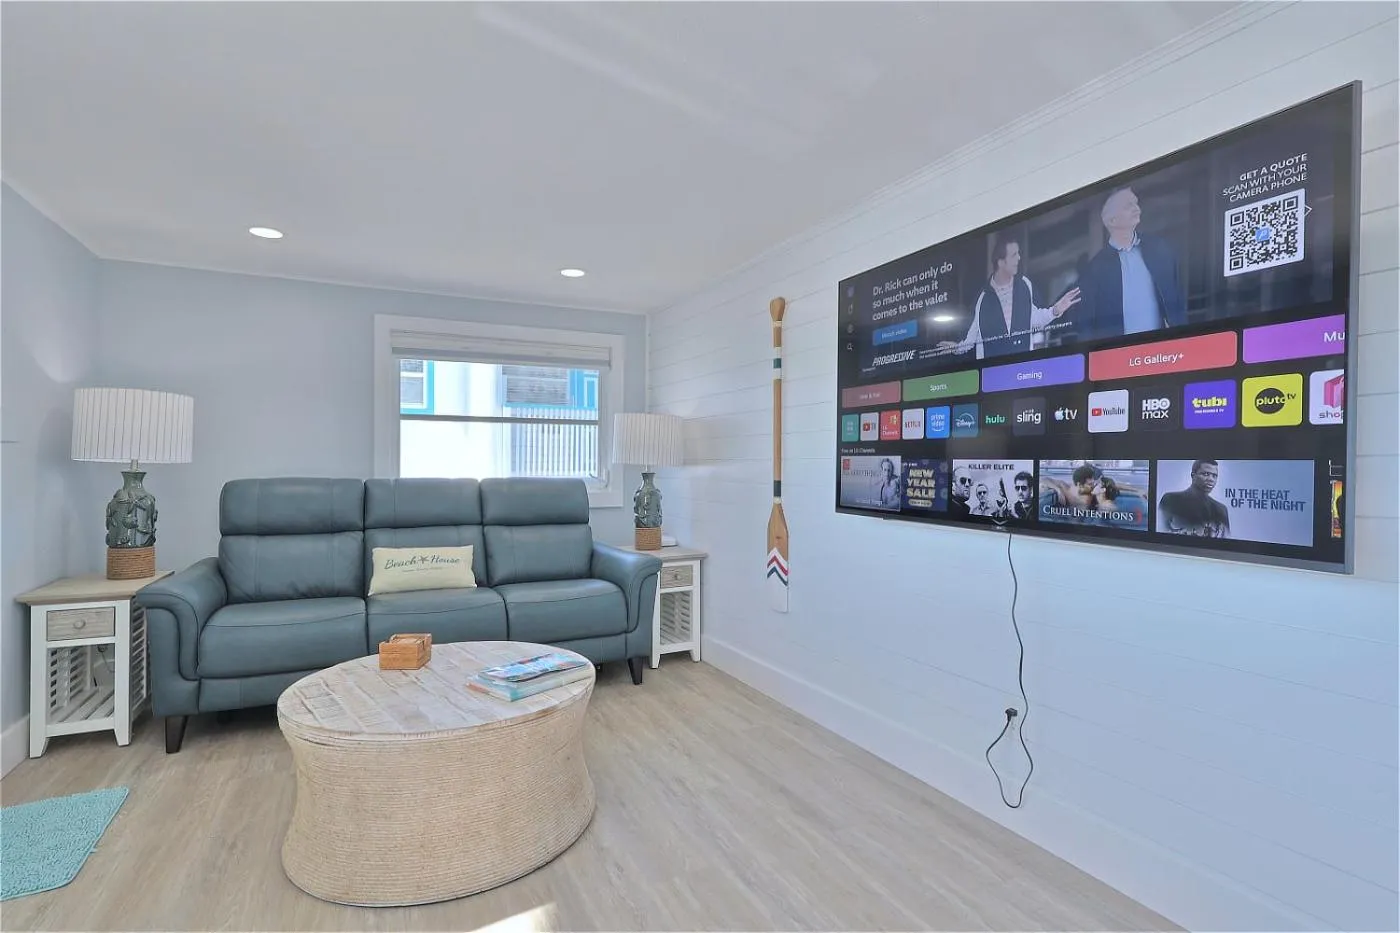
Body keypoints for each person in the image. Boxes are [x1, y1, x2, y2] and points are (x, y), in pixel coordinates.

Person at [938, 233, 1080, 360]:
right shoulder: (983, 298)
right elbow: (973, 336)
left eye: (1018, 253)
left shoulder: (1025, 285)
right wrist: (956, 348)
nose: (1019, 258)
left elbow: (1034, 318)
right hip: (992, 376)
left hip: (1023, 370)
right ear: (1000, 262)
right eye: (1013, 255)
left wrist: (1056, 310)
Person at [1078, 187, 1186, 339]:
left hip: (1163, 354)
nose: (1137, 209)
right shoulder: (1095, 269)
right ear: (1112, 220)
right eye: (1128, 205)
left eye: (1136, 203)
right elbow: (1087, 327)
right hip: (1120, 358)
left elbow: (1177, 303)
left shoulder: (1160, 249)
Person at [1158, 459, 1231, 538]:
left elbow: (1226, 541)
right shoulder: (1170, 500)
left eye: (1214, 476)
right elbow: (1160, 532)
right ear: (1193, 475)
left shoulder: (1221, 509)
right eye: (1206, 474)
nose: (1211, 479)